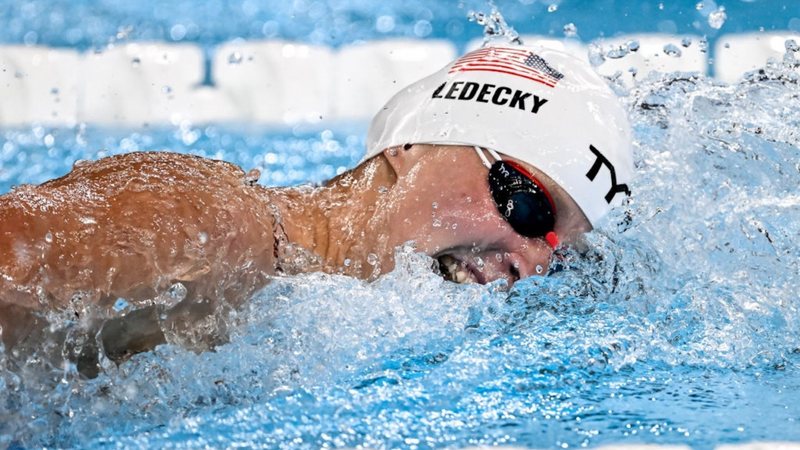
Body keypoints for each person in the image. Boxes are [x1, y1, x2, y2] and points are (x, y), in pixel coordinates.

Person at [0, 45, 632, 374]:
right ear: (412, 145)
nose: (530, 263)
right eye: (525, 205)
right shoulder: (217, 223)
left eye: (560, 252)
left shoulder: (327, 326)